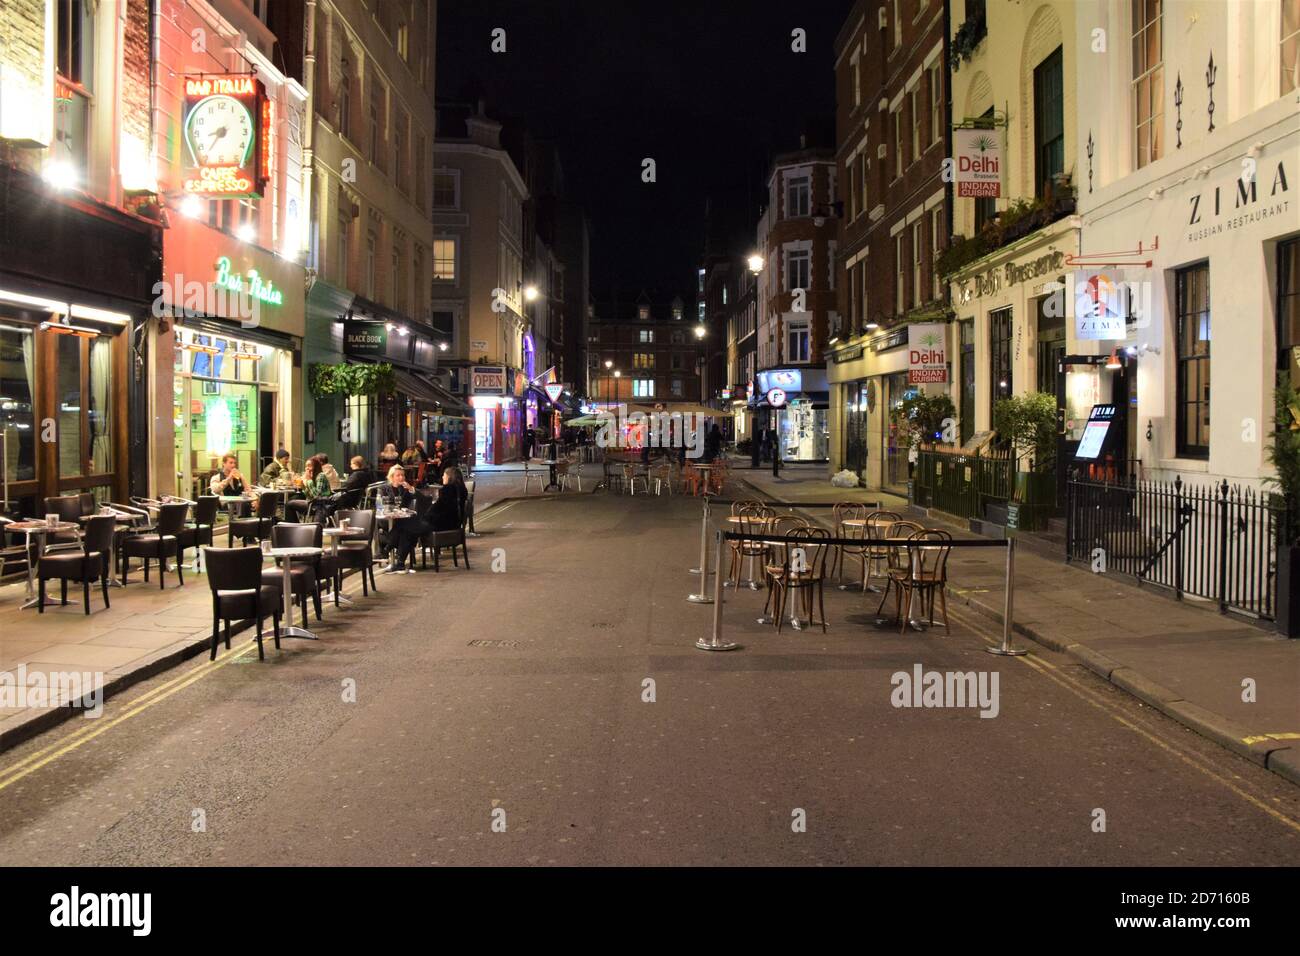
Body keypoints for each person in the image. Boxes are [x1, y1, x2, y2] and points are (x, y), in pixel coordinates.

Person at [289, 455, 331, 521]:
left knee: (290, 503)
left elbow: (317, 496)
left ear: (316, 466)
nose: (307, 468)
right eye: (306, 466)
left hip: (321, 504)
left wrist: (309, 481)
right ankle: (294, 525)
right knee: (290, 503)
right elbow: (309, 495)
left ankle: (294, 526)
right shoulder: (312, 477)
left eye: (309, 466)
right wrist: (303, 486)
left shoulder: (321, 476)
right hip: (312, 502)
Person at [429, 465, 468, 532]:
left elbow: (437, 508)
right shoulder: (462, 489)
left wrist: (425, 516)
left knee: (415, 528)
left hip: (445, 525)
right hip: (456, 523)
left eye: (444, 475)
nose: (442, 477)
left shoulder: (447, 490)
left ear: (449, 477)